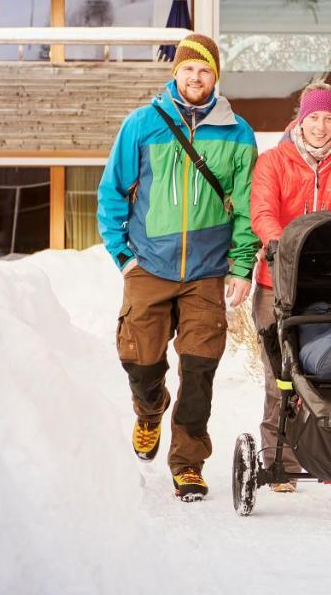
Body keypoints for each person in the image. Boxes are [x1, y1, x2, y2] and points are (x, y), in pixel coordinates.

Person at [97, 33, 258, 502]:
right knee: (140, 361)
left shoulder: (238, 133)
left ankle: (188, 463)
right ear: (176, 73)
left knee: (200, 372)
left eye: (204, 70)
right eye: (188, 69)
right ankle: (150, 411)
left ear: (215, 78)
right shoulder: (143, 125)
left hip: (207, 271)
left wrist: (241, 264)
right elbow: (111, 194)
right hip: (149, 266)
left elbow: (246, 207)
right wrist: (123, 256)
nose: (195, 77)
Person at [250, 82, 331, 492]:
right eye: (314, 117)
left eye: (329, 118)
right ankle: (280, 462)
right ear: (301, 118)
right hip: (277, 283)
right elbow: (263, 211)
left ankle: (330, 456)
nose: (321, 126)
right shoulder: (273, 162)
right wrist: (280, 247)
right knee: (281, 377)